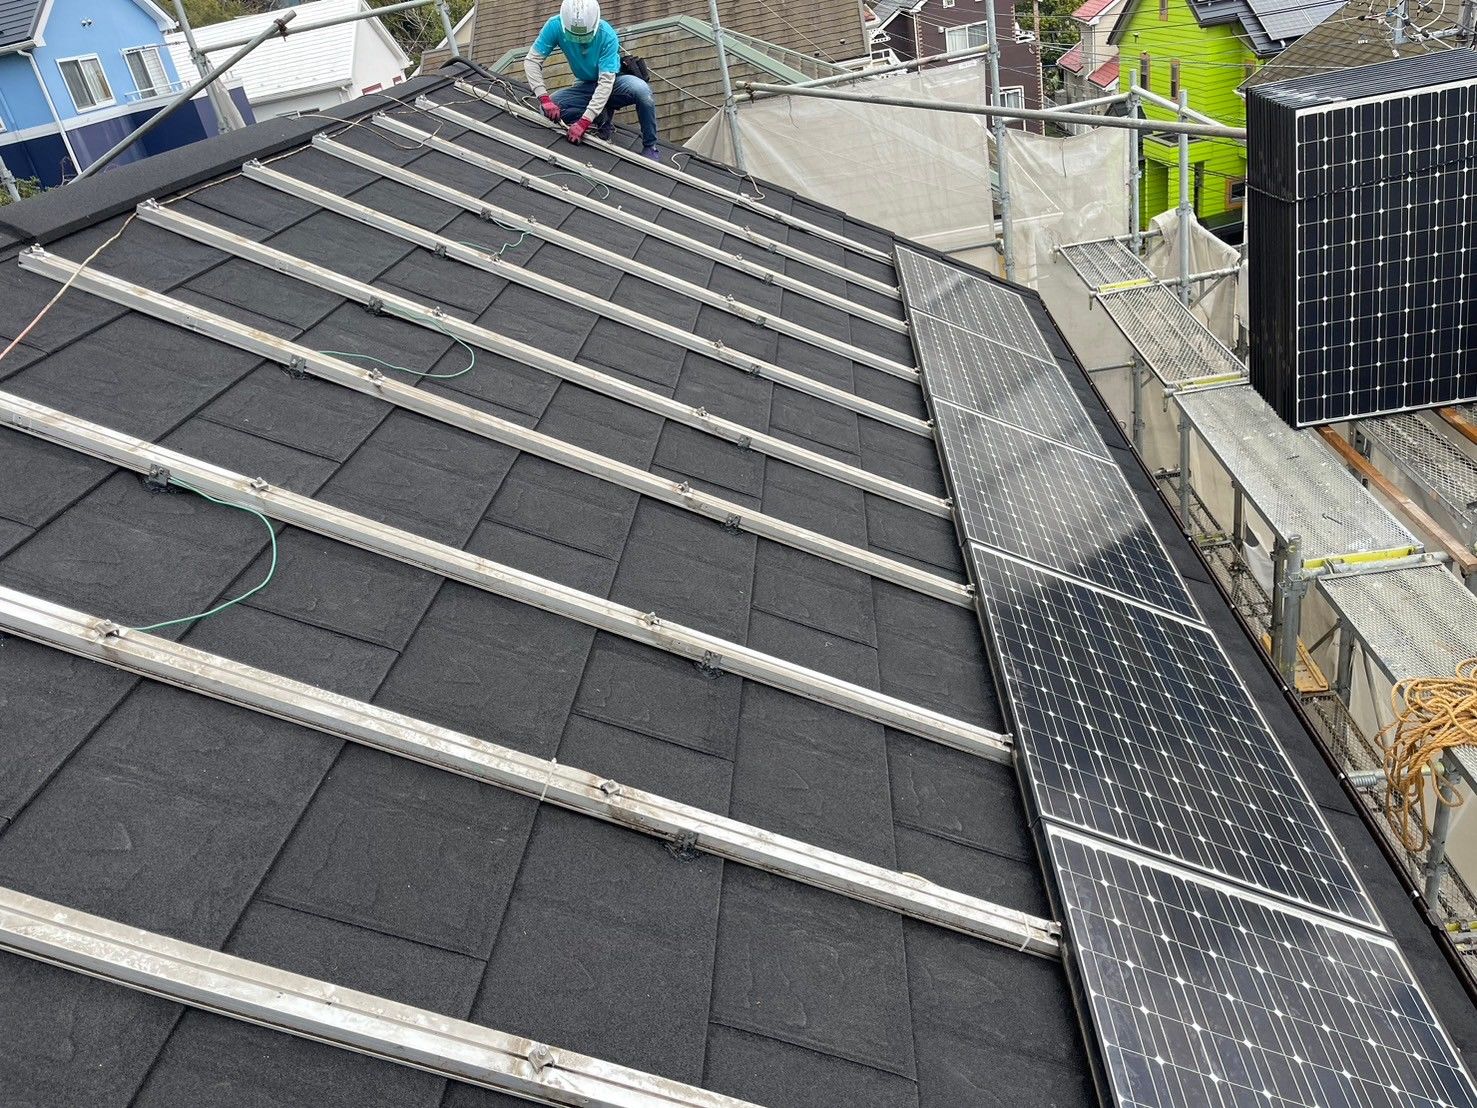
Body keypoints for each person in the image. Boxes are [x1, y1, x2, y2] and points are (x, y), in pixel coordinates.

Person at [523, 0, 661, 160]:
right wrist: (544, 98)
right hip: (586, 85)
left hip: (615, 83)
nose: (580, 41)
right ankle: (601, 118)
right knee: (546, 111)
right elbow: (532, 61)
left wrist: (583, 122)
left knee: (642, 91)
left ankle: (650, 146)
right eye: (574, 37)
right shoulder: (554, 26)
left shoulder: (607, 35)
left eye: (585, 37)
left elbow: (605, 83)